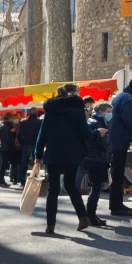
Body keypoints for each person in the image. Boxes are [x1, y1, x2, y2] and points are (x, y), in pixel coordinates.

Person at [35, 84, 107, 233]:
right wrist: (98, 133)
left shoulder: (50, 110)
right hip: (73, 154)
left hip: (54, 153)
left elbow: (42, 135)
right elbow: (85, 134)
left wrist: (38, 156)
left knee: (53, 190)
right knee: (70, 185)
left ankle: (50, 225)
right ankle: (83, 217)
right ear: (72, 93)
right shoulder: (77, 110)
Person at [108, 76, 132, 216]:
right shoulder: (130, 100)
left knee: (117, 174)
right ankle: (116, 207)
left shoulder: (121, 97)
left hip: (116, 139)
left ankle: (117, 204)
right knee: (118, 174)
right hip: (120, 141)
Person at [83, 103, 112, 226]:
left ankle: (91, 214)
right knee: (96, 188)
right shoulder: (97, 124)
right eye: (108, 111)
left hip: (92, 158)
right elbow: (104, 143)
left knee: (96, 188)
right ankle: (91, 215)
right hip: (97, 159)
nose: (110, 114)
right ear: (101, 111)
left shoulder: (93, 122)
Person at [16, 108, 41, 185]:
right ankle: (36, 179)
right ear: (36, 114)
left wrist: (22, 143)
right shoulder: (40, 123)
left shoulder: (24, 123)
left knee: (24, 163)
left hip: (26, 144)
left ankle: (22, 181)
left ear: (29, 113)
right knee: (36, 163)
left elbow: (19, 135)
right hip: (37, 144)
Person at [0, 113, 15, 187]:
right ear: (9, 118)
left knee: (4, 165)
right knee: (4, 165)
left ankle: (2, 180)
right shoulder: (5, 126)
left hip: (5, 147)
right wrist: (11, 132)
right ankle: (1, 181)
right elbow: (6, 138)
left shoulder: (3, 125)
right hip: (6, 148)